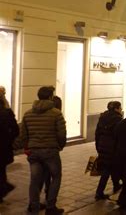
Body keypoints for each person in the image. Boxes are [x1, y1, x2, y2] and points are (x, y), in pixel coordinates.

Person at [20, 86, 66, 215]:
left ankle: (34, 207)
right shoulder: (56, 113)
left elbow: (23, 134)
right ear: (51, 97)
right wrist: (60, 146)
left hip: (34, 152)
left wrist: (27, 147)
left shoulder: (28, 113)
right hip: (50, 151)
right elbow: (61, 134)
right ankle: (50, 207)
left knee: (35, 180)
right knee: (56, 177)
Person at [94, 101, 123, 200]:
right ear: (116, 109)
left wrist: (97, 145)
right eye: (120, 107)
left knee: (111, 166)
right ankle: (99, 192)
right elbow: (118, 135)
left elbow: (97, 132)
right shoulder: (118, 119)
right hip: (112, 147)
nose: (121, 109)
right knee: (107, 169)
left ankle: (116, 185)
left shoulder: (103, 117)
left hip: (102, 145)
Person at [0, 96, 19, 203]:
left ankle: (3, 188)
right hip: (3, 148)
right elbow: (16, 130)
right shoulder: (7, 113)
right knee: (2, 170)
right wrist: (9, 139)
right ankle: (3, 189)